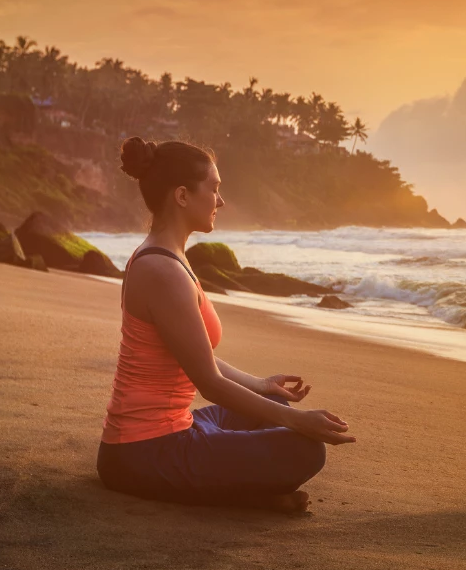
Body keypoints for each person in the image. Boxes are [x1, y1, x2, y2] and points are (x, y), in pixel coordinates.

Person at [96, 137, 354, 514]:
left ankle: (238, 486)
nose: (220, 200)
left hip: (174, 429)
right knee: (305, 449)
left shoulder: (171, 258)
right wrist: (298, 422)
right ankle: (246, 497)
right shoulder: (162, 271)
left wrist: (262, 385)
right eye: (214, 188)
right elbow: (209, 383)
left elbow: (204, 358)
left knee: (271, 400)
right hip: (142, 451)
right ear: (182, 196)